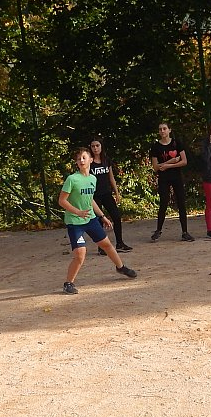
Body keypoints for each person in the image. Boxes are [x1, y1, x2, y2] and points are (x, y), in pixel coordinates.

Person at [59, 147, 138, 293]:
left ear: (90, 160)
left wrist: (102, 216)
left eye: (84, 157)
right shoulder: (72, 179)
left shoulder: (92, 179)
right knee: (80, 254)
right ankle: (68, 283)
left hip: (90, 219)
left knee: (106, 244)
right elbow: (62, 201)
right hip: (75, 222)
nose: (81, 160)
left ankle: (121, 267)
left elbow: (90, 200)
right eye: (78, 159)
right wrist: (77, 212)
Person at [148, 121, 193, 241]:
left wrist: (168, 165)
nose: (162, 131)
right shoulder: (156, 146)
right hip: (163, 178)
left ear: (169, 130)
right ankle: (158, 230)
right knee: (163, 203)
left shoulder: (176, 143)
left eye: (164, 128)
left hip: (176, 176)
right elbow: (156, 167)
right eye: (160, 129)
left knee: (181, 203)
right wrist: (171, 161)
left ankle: (185, 232)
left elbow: (184, 161)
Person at [89, 138, 131, 253]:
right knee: (99, 220)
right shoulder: (89, 162)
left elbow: (111, 177)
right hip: (94, 195)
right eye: (93, 146)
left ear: (101, 146)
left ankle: (120, 243)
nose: (95, 148)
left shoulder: (106, 160)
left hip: (106, 193)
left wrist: (116, 192)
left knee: (116, 216)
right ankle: (101, 247)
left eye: (97, 145)